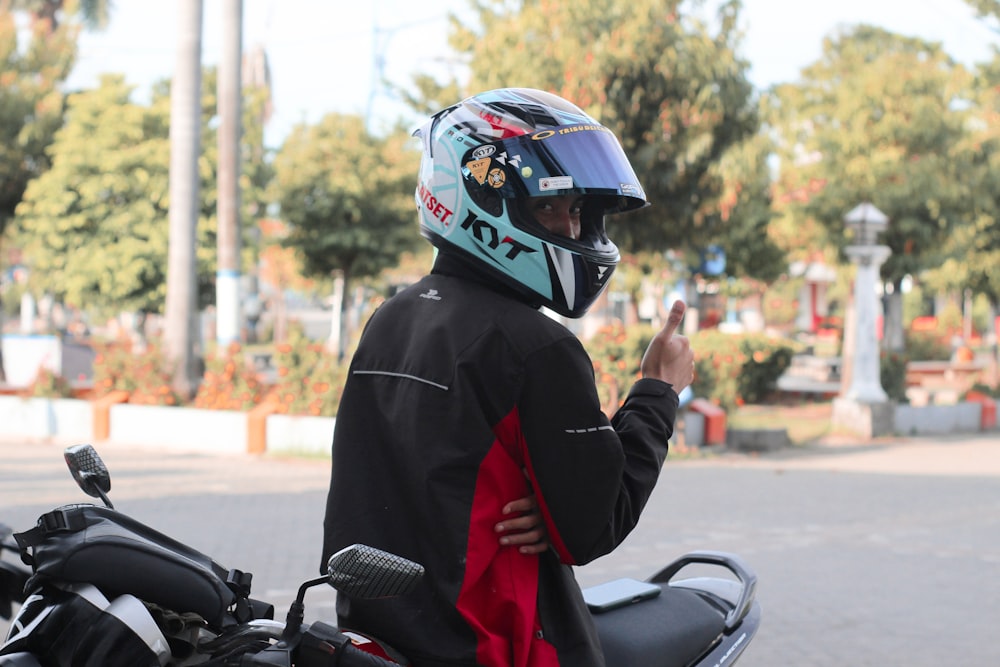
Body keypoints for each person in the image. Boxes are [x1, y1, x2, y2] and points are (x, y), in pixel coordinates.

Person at [321, 88, 694, 667]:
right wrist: (657, 391)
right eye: (549, 208)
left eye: (575, 211)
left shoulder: (391, 318)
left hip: (381, 642)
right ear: (479, 198)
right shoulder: (536, 348)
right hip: (497, 645)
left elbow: (432, 476)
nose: (571, 231)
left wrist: (549, 505)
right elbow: (593, 528)